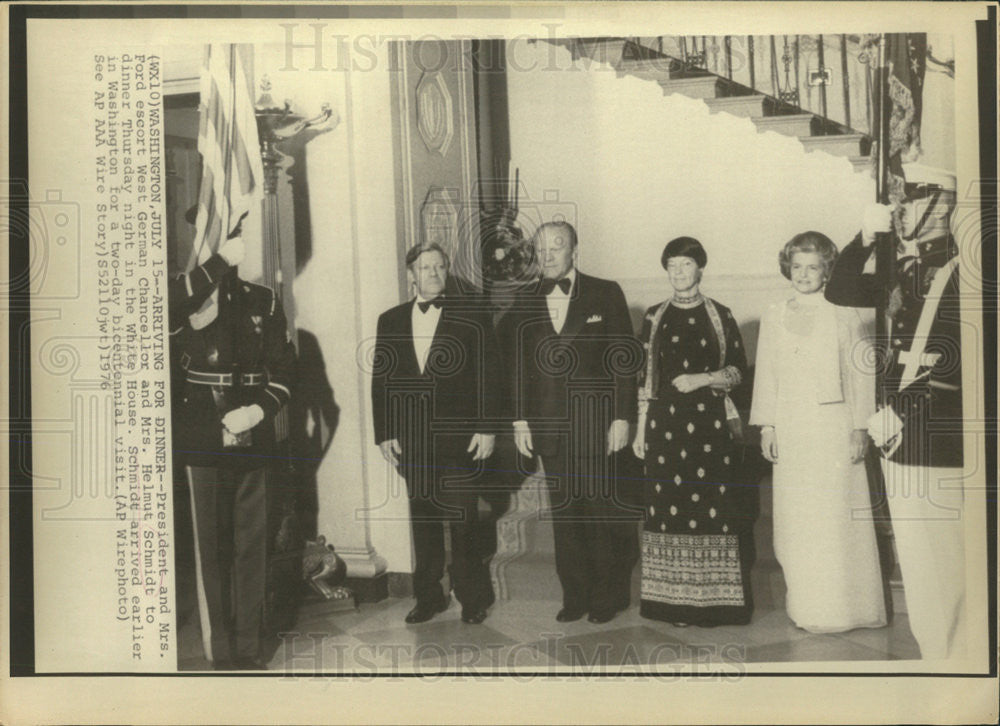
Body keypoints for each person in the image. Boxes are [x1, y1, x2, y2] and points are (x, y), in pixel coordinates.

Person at [825, 201, 966, 660]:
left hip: (937, 433)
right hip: (899, 431)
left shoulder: (972, 269)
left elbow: (962, 360)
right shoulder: (905, 268)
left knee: (944, 554)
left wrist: (902, 408)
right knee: (918, 554)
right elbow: (839, 288)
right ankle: (936, 651)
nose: (901, 210)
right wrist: (864, 238)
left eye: (914, 201)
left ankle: (959, 654)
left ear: (942, 207)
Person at [498, 221, 639, 624]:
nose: (548, 255)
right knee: (566, 515)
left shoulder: (605, 292)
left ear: (574, 250)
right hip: (549, 426)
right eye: (541, 249)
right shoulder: (525, 300)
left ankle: (608, 596)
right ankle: (574, 596)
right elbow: (516, 367)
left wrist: (623, 418)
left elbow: (623, 362)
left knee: (599, 512)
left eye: (557, 247)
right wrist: (520, 421)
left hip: (597, 424)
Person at [169, 233, 295, 670]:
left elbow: (284, 369)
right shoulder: (184, 296)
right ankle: (220, 650)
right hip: (202, 433)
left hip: (251, 432)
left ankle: (248, 647)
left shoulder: (263, 300)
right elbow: (165, 308)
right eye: (218, 243)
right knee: (211, 547)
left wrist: (258, 412)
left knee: (252, 544)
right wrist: (216, 264)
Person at [750, 232, 887, 633]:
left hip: (834, 429)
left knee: (835, 518)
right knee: (798, 520)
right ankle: (808, 607)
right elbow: (768, 375)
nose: (804, 274)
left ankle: (847, 609)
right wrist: (767, 426)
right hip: (791, 429)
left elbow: (861, 376)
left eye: (813, 267)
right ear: (787, 268)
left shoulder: (844, 312)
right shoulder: (774, 313)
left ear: (827, 270)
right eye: (797, 267)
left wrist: (861, 426)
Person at [371, 242, 502, 625]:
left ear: (447, 271)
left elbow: (489, 375)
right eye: (425, 267)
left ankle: (472, 596)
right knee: (423, 518)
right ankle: (429, 596)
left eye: (439, 267)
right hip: (412, 439)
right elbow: (382, 381)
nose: (433, 273)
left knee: (463, 520)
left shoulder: (472, 315)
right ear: (411, 275)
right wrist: (384, 433)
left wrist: (488, 428)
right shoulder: (390, 320)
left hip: (461, 437)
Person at [632, 237, 753, 627]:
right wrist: (639, 431)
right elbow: (645, 378)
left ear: (700, 269)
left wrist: (703, 379)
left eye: (685, 265)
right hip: (664, 427)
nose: (678, 273)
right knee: (668, 509)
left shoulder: (720, 314)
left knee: (711, 509)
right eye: (672, 266)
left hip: (710, 426)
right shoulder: (654, 316)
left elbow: (737, 371)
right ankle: (673, 605)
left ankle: (715, 605)